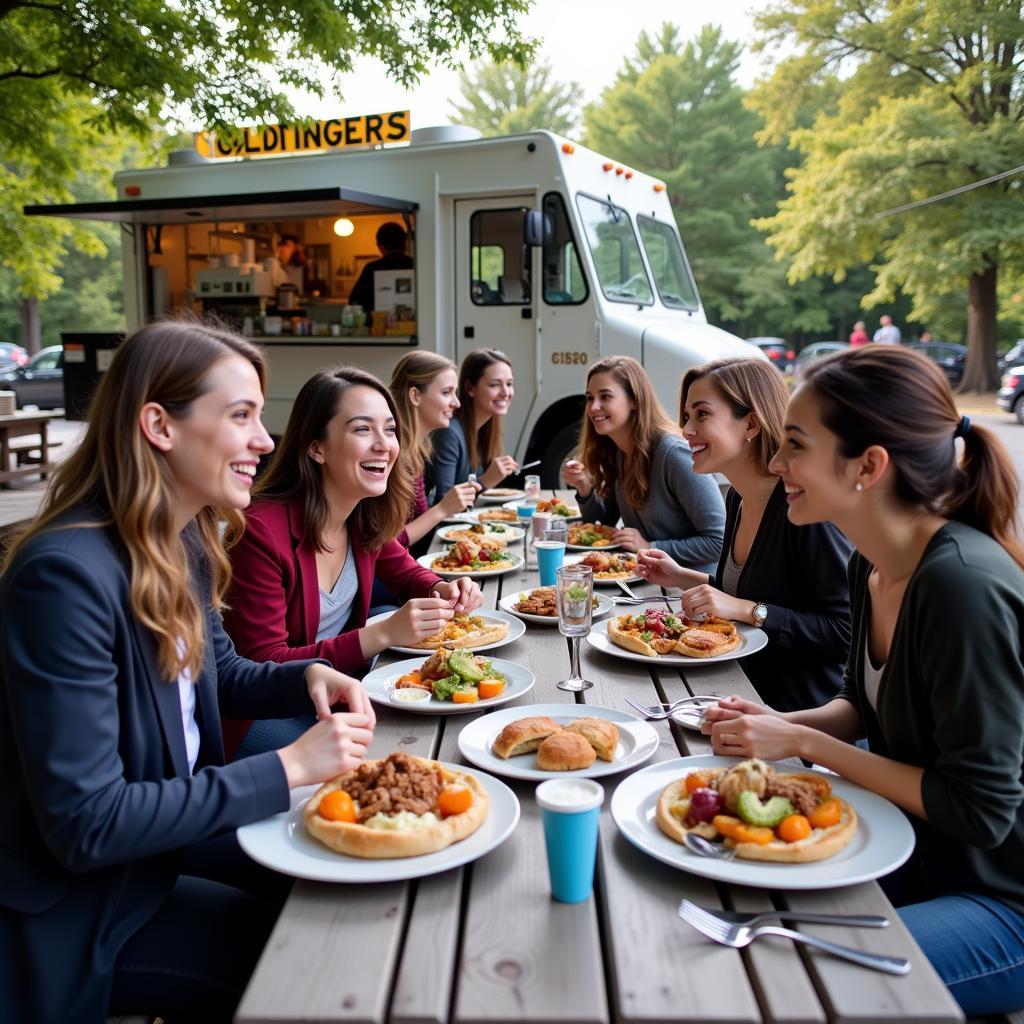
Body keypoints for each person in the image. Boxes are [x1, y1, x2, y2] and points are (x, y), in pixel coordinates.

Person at [0, 320, 376, 1023]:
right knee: (304, 962)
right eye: (242, 416)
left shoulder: (185, 537)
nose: (266, 441)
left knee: (340, 891)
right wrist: (288, 767)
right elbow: (86, 822)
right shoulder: (61, 578)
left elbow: (221, 671)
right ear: (159, 426)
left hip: (162, 848)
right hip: (87, 909)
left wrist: (308, 677)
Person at [702, 345, 1024, 1017]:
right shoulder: (872, 566)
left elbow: (981, 809)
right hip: (915, 845)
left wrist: (808, 747)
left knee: (797, 983)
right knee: (737, 892)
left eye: (795, 446)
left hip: (1000, 893)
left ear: (868, 466)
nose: (778, 465)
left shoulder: (961, 584)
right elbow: (860, 706)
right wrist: (781, 728)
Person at [223, 366, 483, 756]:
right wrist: (381, 634)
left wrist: (440, 586)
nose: (384, 445)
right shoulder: (261, 530)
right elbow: (264, 664)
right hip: (264, 713)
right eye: (363, 429)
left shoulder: (361, 513)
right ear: (317, 447)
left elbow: (406, 571)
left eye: (390, 429)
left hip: (338, 694)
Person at [636, 358, 852, 711]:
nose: (686, 429)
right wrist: (680, 577)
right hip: (737, 689)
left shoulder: (805, 509)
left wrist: (750, 610)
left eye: (701, 415)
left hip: (794, 717)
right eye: (687, 417)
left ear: (751, 422)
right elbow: (746, 595)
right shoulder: (738, 496)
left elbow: (845, 632)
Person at [562, 355, 725, 572]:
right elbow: (604, 522)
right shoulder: (619, 452)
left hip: (691, 588)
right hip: (648, 579)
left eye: (605, 396)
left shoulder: (674, 455)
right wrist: (584, 488)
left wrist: (651, 547)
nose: (593, 407)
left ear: (634, 400)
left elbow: (719, 541)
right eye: (590, 398)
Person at [389, 351, 480, 544]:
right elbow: (389, 545)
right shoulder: (392, 455)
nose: (456, 403)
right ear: (415, 396)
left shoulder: (416, 449)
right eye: (447, 392)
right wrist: (442, 509)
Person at [426, 348, 519, 499]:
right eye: (495, 385)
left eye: (509, 384)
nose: (505, 392)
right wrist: (486, 481)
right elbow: (443, 501)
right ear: (470, 388)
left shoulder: (487, 429)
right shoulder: (449, 432)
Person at [348, 221, 414, 313]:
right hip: (415, 323)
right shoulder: (416, 266)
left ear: (380, 246)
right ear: (405, 243)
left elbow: (354, 301)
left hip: (379, 324)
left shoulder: (371, 269)